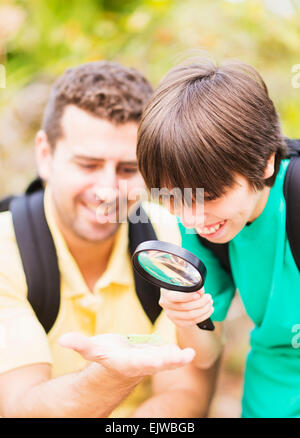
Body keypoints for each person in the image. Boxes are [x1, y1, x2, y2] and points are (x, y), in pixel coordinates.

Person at [0, 60, 218, 418]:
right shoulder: (5, 252)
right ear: (45, 154)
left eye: (128, 169)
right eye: (87, 165)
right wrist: (116, 374)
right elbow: (18, 408)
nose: (107, 191)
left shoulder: (174, 233)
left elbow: (187, 392)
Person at [136, 57, 300, 418]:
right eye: (175, 197)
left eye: (210, 196)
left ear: (266, 162)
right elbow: (206, 352)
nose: (192, 217)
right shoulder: (196, 227)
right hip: (271, 386)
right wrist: (187, 317)